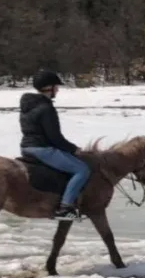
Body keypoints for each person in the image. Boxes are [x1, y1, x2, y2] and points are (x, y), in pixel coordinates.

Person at [19, 70, 91, 221]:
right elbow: (55, 138)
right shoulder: (46, 108)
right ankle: (65, 208)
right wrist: (74, 149)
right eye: (56, 87)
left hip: (27, 147)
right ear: (48, 88)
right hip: (42, 149)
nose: (58, 90)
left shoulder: (29, 106)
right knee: (82, 170)